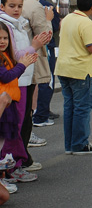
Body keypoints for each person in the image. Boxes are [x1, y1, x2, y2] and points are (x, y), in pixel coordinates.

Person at [5, 0, 53, 175]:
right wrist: (48, 20)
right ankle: (17, 162)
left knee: (16, 118)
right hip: (21, 72)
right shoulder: (33, 6)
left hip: (17, 71)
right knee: (19, 119)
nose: (17, 10)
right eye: (12, 7)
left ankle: (15, 162)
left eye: (18, 7)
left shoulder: (13, 8)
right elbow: (44, 36)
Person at [54, 0, 92, 155]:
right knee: (82, 108)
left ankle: (70, 144)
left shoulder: (68, 18)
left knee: (70, 107)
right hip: (80, 70)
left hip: (63, 68)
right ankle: (80, 144)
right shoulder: (87, 23)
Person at [0, 21, 38, 195]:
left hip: (9, 103)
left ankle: (8, 171)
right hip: (3, 106)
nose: (2, 41)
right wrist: (22, 65)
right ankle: (4, 175)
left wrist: (22, 65)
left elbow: (12, 74)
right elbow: (7, 76)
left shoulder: (5, 56)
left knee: (10, 139)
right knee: (3, 143)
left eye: (5, 38)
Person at [32, 0, 61, 127]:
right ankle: (40, 115)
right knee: (47, 79)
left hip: (45, 44)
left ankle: (43, 109)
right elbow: (53, 25)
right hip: (45, 45)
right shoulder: (42, 3)